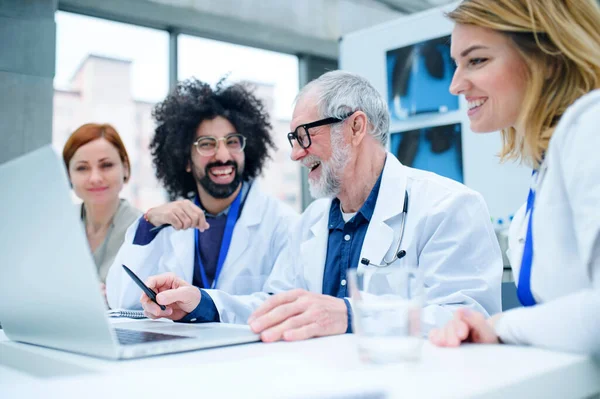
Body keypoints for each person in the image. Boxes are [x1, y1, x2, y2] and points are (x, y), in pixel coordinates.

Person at [138, 70, 503, 341]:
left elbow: (469, 319)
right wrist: (200, 302)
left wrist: (349, 315)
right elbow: (275, 306)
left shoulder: (449, 207)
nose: (297, 153)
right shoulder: (312, 221)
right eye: (293, 139)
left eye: (304, 135)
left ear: (356, 127)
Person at [429, 0, 600, 355]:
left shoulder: (590, 126)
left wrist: (500, 327)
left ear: (549, 58)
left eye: (477, 60)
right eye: (455, 65)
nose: (456, 85)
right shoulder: (546, 169)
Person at [106, 78, 299, 310]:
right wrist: (149, 223)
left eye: (233, 142)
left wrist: (206, 306)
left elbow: (287, 304)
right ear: (186, 160)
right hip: (179, 346)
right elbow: (120, 301)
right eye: (207, 144)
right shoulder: (166, 226)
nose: (223, 155)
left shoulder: (283, 224)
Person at [63, 123, 142, 298]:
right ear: (68, 174)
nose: (95, 178)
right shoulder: (58, 225)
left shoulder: (143, 229)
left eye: (106, 165)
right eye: (82, 168)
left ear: (125, 168)